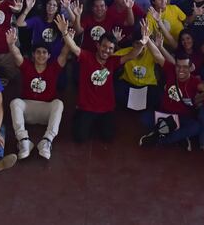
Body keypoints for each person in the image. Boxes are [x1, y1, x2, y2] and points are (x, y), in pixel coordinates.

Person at [55, 14, 147, 143]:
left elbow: (131, 55)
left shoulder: (113, 61)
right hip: (86, 107)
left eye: (110, 48)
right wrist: (65, 33)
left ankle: (94, 122)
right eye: (104, 46)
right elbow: (74, 48)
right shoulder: (87, 57)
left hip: (106, 108)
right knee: (80, 138)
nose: (106, 50)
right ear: (98, 46)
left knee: (108, 137)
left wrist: (142, 43)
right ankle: (80, 117)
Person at [7, 28, 69, 160]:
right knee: (15, 103)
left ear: (49, 55)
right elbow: (17, 55)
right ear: (33, 55)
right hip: (28, 109)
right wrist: (11, 45)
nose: (41, 55)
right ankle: (24, 141)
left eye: (44, 52)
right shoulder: (27, 66)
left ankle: (46, 141)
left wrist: (66, 36)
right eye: (38, 52)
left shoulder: (54, 68)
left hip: (46, 111)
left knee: (58, 104)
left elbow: (64, 53)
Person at [138, 50, 201, 149]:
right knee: (144, 118)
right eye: (178, 66)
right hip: (163, 114)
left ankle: (160, 138)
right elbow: (157, 55)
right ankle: (177, 136)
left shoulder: (195, 81)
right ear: (175, 65)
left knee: (196, 127)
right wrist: (147, 39)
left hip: (181, 118)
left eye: (185, 66)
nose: (181, 70)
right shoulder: (171, 69)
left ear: (190, 67)